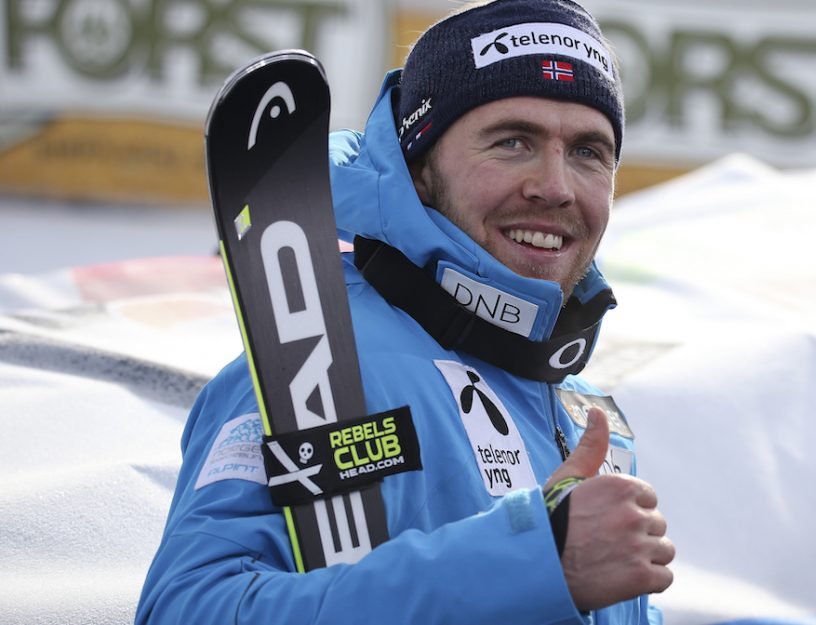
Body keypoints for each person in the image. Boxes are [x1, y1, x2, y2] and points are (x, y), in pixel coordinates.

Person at [136, 0, 675, 622]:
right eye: (512, 142)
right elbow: (187, 610)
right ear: (417, 170)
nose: (554, 186)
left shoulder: (583, 409)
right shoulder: (318, 354)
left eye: (587, 152)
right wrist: (536, 559)